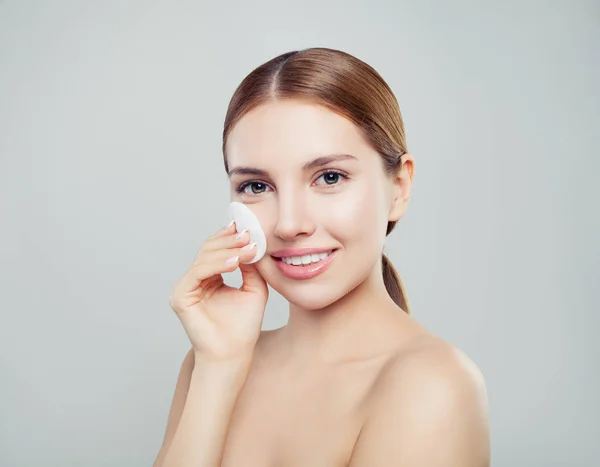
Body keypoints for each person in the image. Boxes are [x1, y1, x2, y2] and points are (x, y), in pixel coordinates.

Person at [153, 47, 490, 467]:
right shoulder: (209, 362)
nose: (289, 224)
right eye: (257, 186)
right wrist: (218, 368)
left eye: (329, 177)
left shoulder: (432, 385)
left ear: (399, 187)